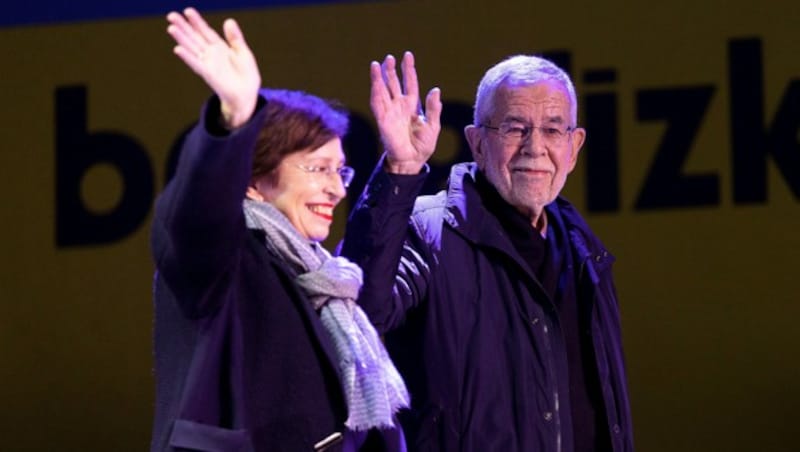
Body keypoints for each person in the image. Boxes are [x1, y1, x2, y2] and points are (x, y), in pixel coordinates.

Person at [340, 52, 634, 451]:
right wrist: (399, 170)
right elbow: (360, 316)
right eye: (515, 128)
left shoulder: (588, 256)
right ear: (477, 143)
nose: (535, 148)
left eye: (552, 129)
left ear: (574, 145)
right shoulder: (427, 232)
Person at [150, 8, 409, 451]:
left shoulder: (320, 274)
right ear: (252, 180)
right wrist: (234, 122)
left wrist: (403, 169)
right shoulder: (225, 260)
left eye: (341, 173)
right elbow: (196, 219)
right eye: (318, 169)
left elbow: (371, 279)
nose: (336, 190)